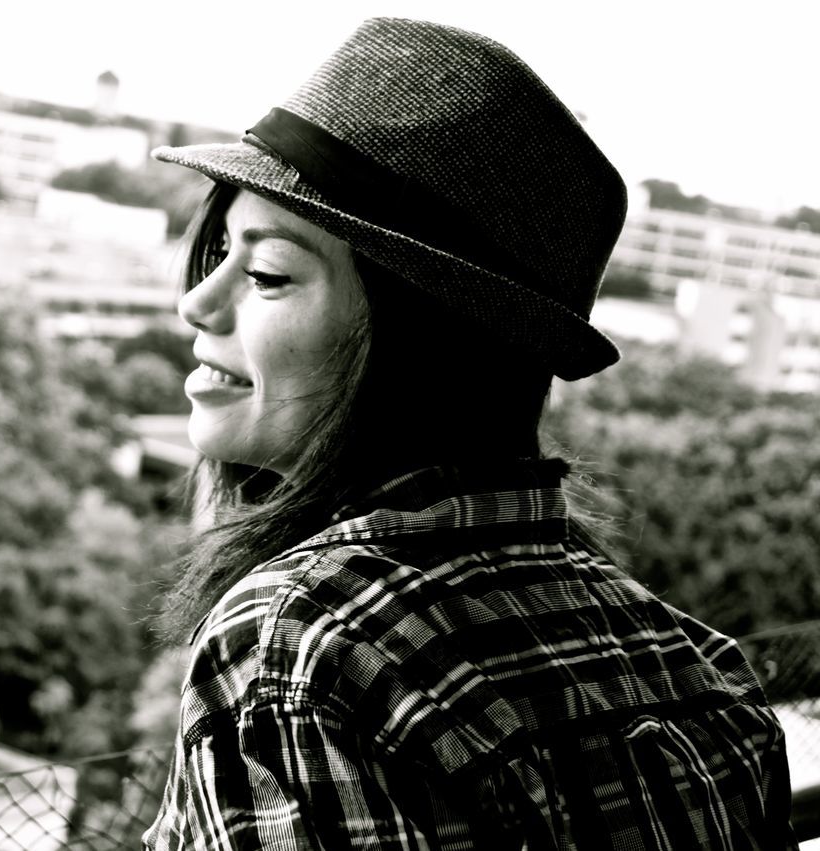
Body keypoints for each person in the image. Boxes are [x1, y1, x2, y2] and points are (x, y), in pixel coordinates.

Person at [142, 17, 797, 851]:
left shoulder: (304, 648)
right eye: (218, 254)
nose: (196, 305)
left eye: (268, 273)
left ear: (420, 347)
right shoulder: (699, 668)